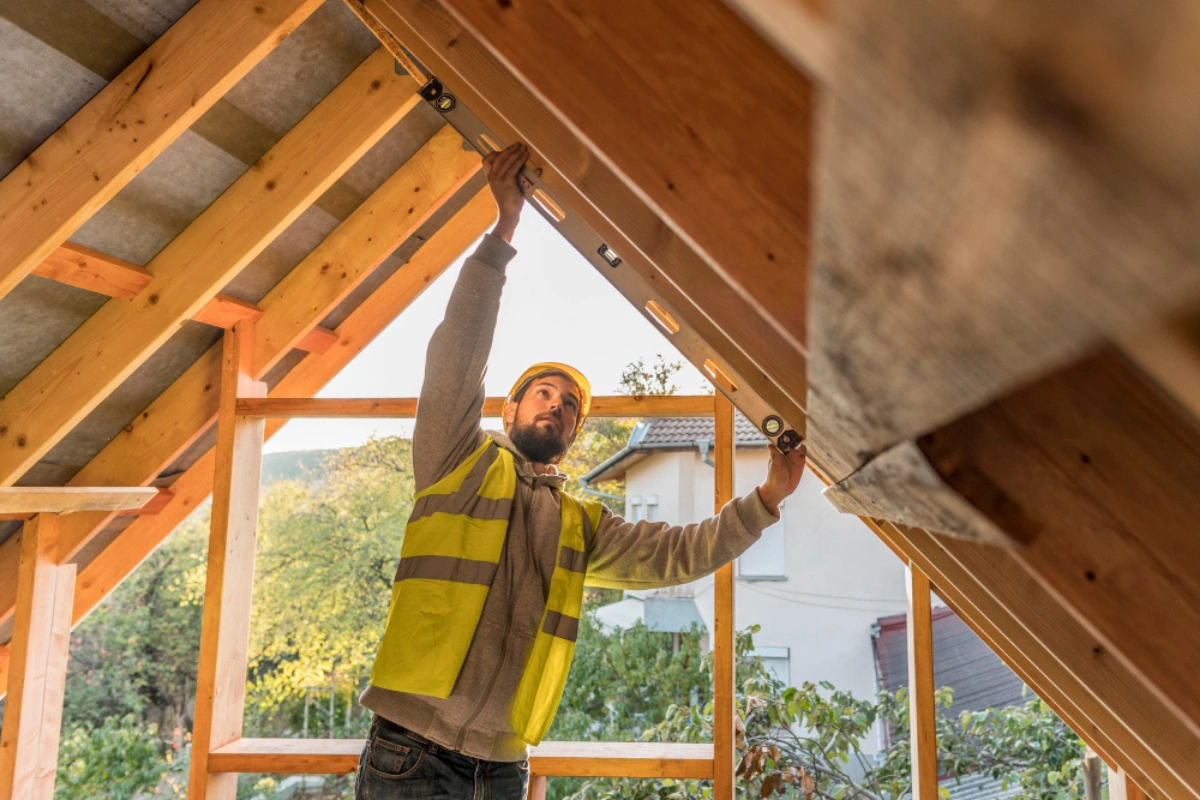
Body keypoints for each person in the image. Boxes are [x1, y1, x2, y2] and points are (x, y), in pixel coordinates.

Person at [354, 143, 807, 799]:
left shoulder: (577, 524)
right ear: (508, 407)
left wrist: (766, 498)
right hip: (410, 751)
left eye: (569, 405)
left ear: (571, 435)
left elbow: (676, 556)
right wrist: (502, 233)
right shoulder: (455, 459)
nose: (557, 405)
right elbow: (455, 356)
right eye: (543, 392)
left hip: (503, 767)